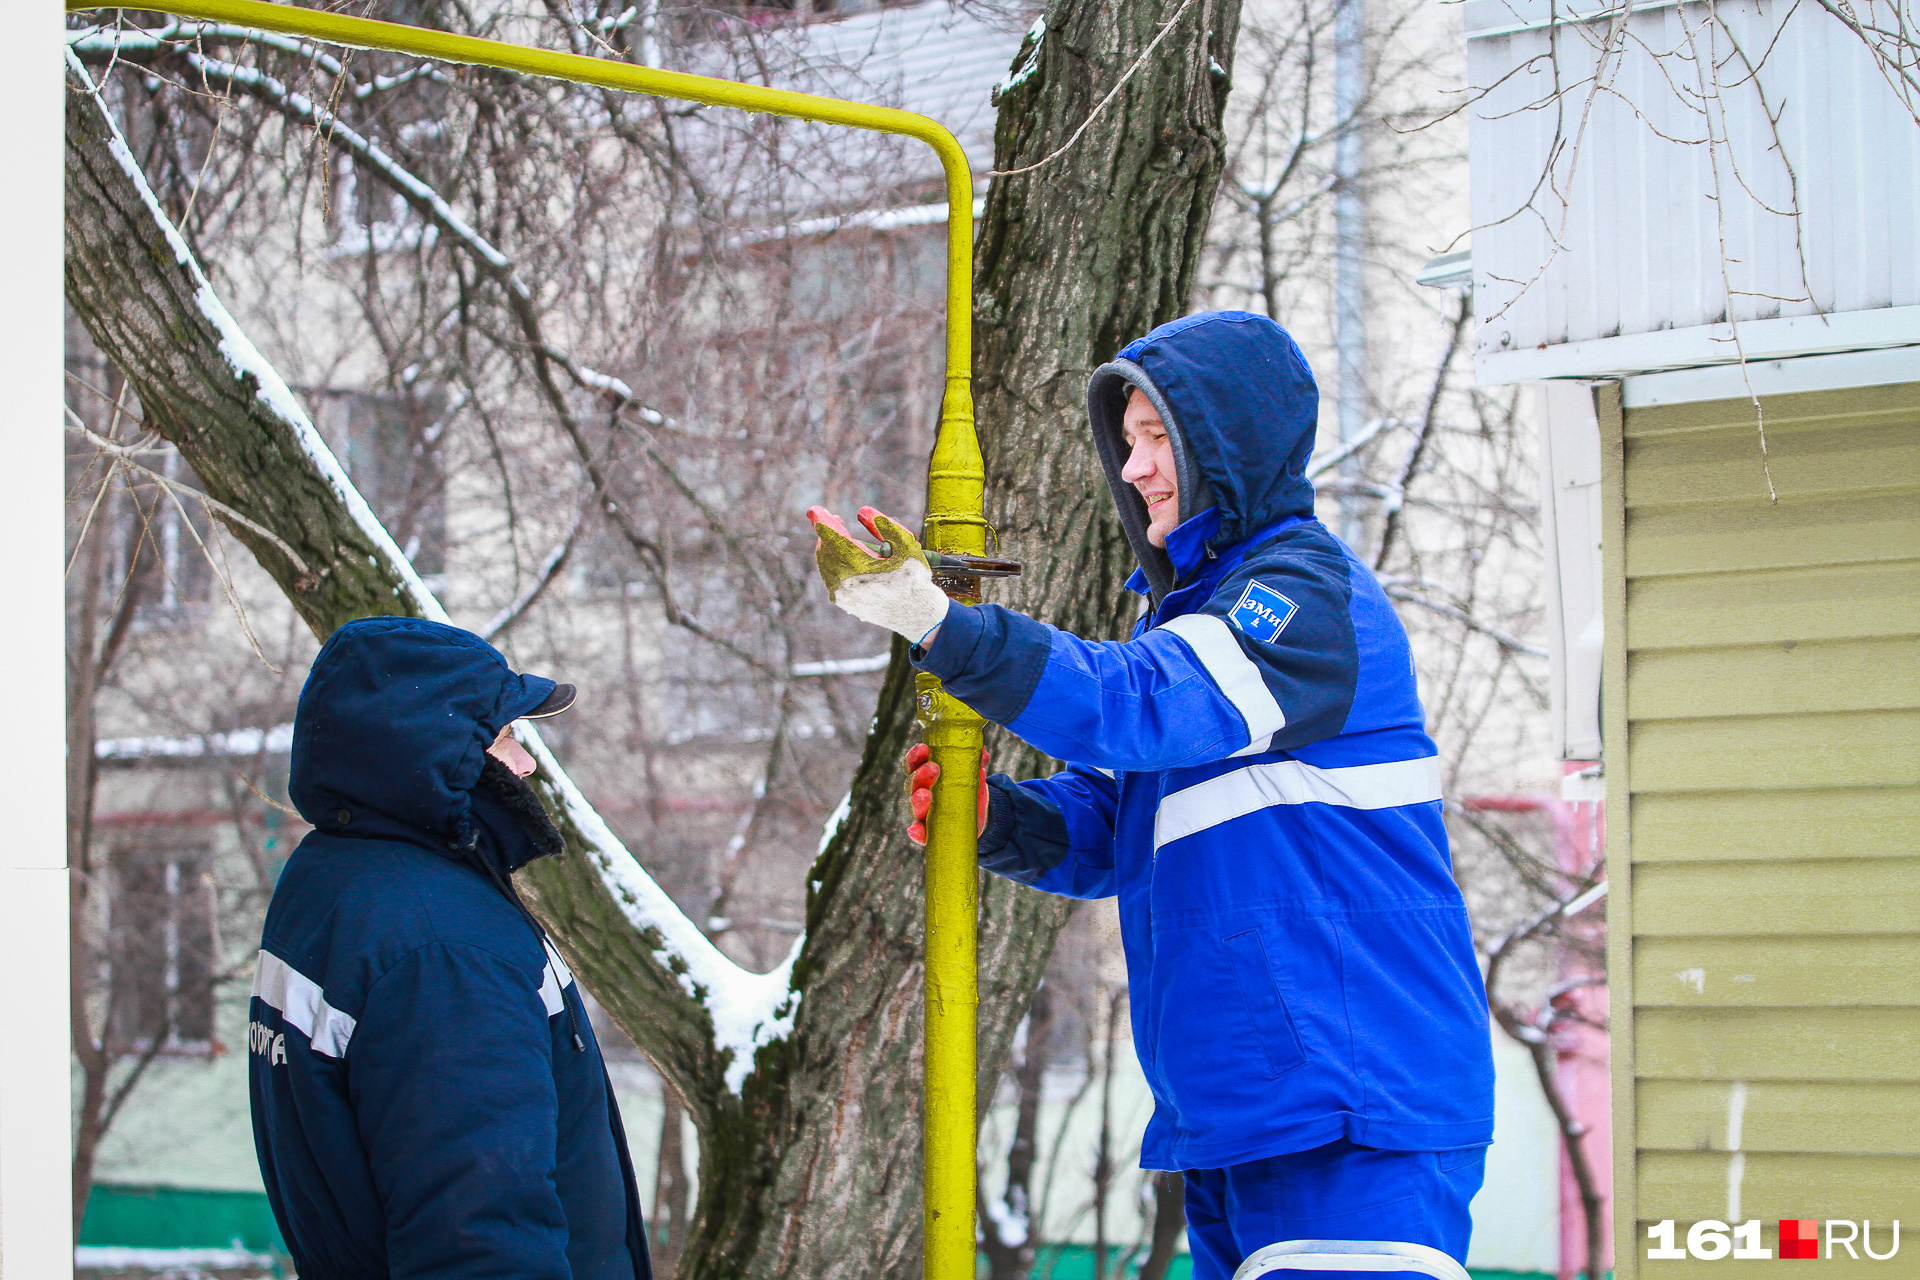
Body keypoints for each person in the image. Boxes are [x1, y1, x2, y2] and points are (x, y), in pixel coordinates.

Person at [808, 311, 1494, 1277]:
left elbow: (1135, 702)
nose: (1132, 470)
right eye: (1128, 443)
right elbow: (1119, 827)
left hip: (1351, 1108)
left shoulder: (1298, 600)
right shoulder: (1208, 620)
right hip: (1246, 1110)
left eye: (1160, 438)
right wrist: (999, 820)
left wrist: (940, 625)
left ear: (1232, 443)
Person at [248, 617, 651, 1280]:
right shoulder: (444, 953)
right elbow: (481, 1241)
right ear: (430, 752)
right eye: (505, 738)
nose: (526, 763)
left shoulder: (333, 878)